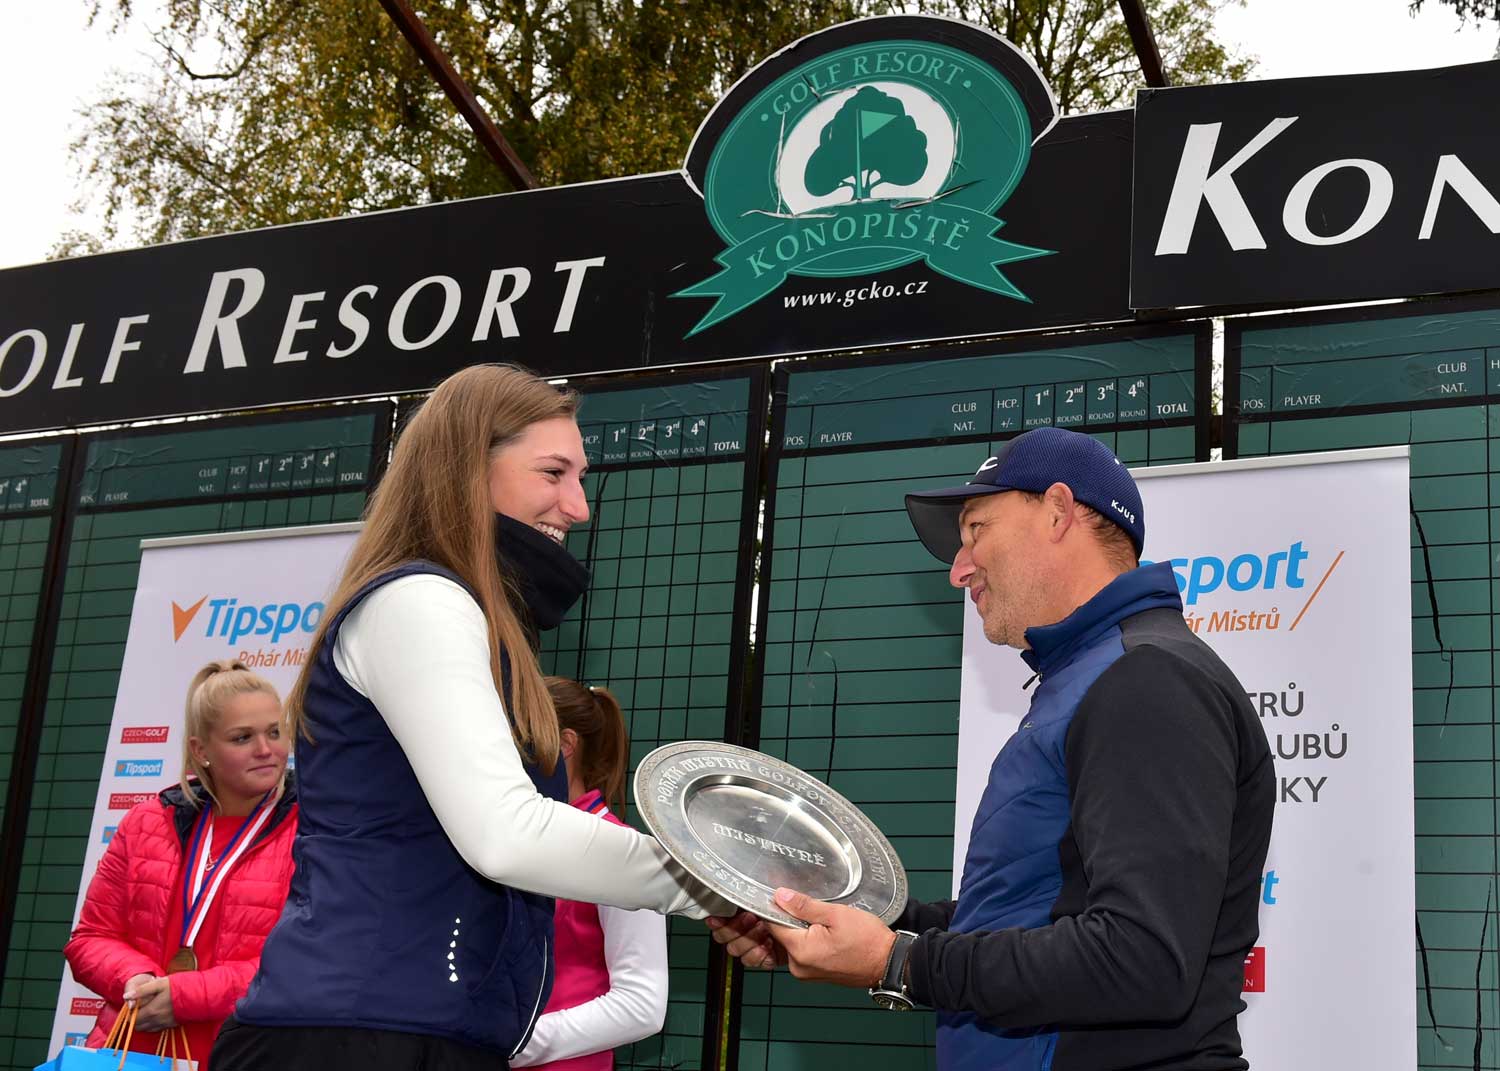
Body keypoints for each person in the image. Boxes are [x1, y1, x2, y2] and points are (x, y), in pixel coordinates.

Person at [213, 364, 732, 1071]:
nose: (578, 507)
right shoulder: (419, 601)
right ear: (465, 469)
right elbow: (506, 834)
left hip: (430, 1034)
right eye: (553, 473)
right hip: (356, 1036)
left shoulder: (471, 619)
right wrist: (716, 886)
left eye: (581, 477)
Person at [708, 426, 1275, 1071]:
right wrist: (836, 920)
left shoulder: (1146, 680)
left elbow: (1142, 958)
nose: (959, 570)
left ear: (1058, 512)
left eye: (976, 530)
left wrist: (899, 963)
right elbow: (1023, 912)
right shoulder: (1093, 677)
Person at [64, 660, 297, 1070]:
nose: (266, 749)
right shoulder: (147, 821)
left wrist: (185, 997)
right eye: (243, 737)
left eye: (275, 732)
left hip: (246, 1052)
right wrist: (134, 980)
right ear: (200, 751)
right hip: (132, 1052)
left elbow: (307, 961)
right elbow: (90, 938)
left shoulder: (315, 832)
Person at [511, 677, 669, 1070]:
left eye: (516, 737)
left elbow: (642, 1006)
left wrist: (513, 1043)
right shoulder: (510, 840)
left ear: (565, 744)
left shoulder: (621, 850)